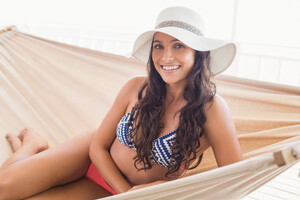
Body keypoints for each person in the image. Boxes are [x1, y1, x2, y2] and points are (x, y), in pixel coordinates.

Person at [0, 6, 242, 200]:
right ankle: (31, 147)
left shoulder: (211, 109)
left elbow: (235, 180)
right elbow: (97, 147)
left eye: (178, 45)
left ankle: (30, 149)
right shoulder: (137, 87)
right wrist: (127, 195)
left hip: (115, 192)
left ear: (197, 53)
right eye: (159, 47)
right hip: (90, 159)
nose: (166, 57)